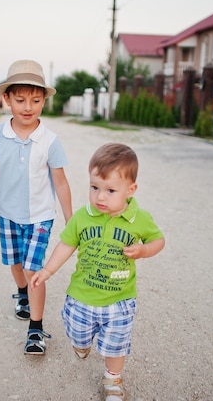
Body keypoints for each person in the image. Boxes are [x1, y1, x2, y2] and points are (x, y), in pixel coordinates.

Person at [30, 143, 165, 400]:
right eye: (94, 188)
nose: (100, 197)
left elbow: (158, 241)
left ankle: (113, 381)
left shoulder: (140, 219)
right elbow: (66, 244)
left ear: (130, 190)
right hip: (82, 297)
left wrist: (143, 250)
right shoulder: (83, 216)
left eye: (110, 190)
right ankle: (81, 345)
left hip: (120, 299)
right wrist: (47, 271)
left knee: (116, 346)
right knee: (79, 336)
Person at [0, 59, 72, 356]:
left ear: (44, 100)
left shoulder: (50, 141)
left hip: (40, 217)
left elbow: (61, 182)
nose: (28, 107)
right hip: (7, 215)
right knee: (15, 264)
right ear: (7, 99)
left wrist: (71, 219)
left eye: (36, 100)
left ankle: (36, 329)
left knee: (34, 270)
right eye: (20, 100)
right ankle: (21, 294)